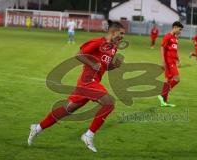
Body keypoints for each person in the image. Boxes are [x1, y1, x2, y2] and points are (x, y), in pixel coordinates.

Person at [28, 20, 126, 152]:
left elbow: (105, 67)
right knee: (109, 102)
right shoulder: (98, 42)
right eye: (121, 33)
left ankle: (37, 127)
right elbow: (78, 55)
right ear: (113, 32)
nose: (122, 37)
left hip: (93, 82)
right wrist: (91, 64)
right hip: (87, 81)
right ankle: (88, 135)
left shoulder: (113, 48)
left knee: (67, 109)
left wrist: (115, 65)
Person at [158, 21, 184, 107]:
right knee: (177, 79)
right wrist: (163, 61)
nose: (180, 31)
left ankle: (163, 101)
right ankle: (163, 94)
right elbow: (162, 47)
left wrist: (179, 59)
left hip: (173, 62)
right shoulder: (168, 36)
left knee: (168, 80)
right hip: (169, 63)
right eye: (180, 29)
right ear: (175, 27)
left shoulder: (175, 38)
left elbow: (175, 50)